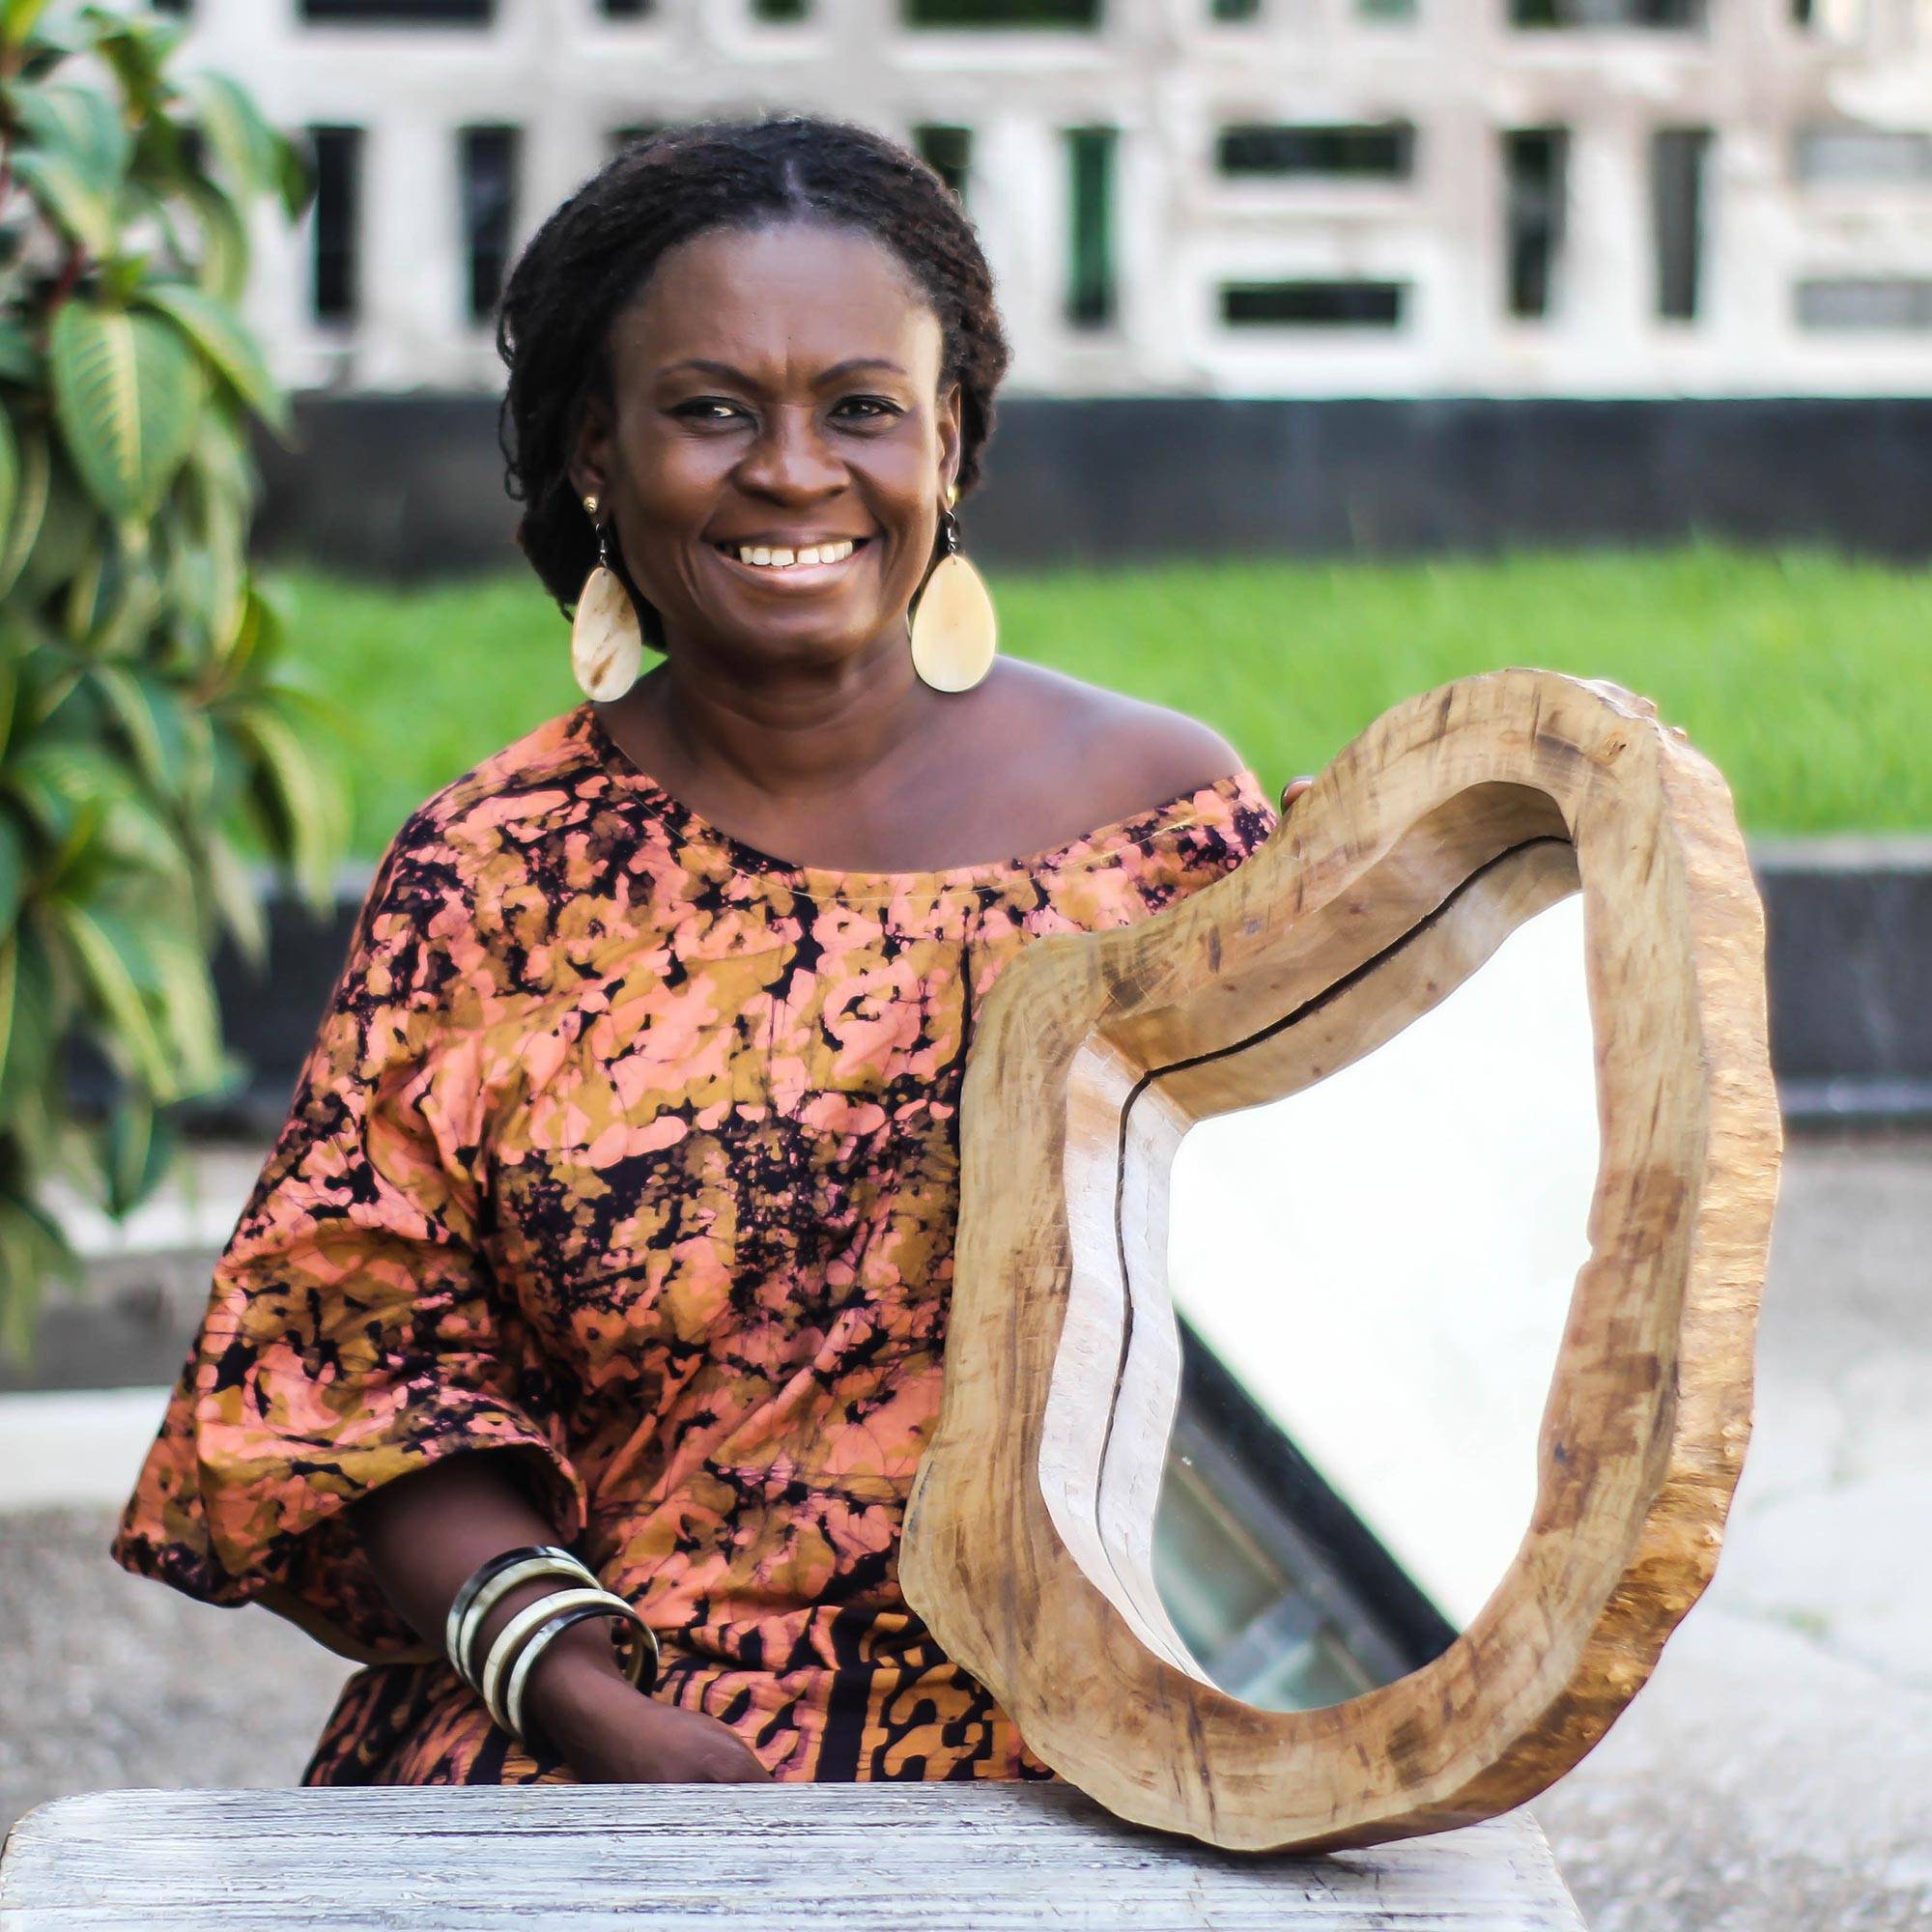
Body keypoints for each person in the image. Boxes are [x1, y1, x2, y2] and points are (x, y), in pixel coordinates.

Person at [109, 113, 1284, 1788]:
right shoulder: (495, 873)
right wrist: (585, 1702)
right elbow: (356, 1363)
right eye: (713, 409)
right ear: (598, 448)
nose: (794, 471)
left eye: (861, 408)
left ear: (950, 437)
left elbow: (1325, 1274)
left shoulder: (1159, 825)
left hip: (1102, 1747)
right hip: (602, 1738)